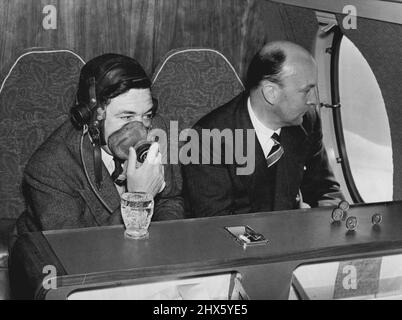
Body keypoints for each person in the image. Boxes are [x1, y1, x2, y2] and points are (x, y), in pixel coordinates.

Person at [16, 53, 184, 233]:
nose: (140, 129)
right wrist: (138, 199)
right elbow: (78, 252)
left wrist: (161, 242)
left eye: (147, 115)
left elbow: (171, 199)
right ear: (91, 117)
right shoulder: (49, 169)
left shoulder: (158, 130)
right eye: (126, 116)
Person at [182, 41, 344, 217]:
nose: (315, 100)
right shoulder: (206, 141)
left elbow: (325, 189)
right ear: (270, 93)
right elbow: (218, 225)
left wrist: (328, 217)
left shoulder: (307, 120)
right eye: (307, 91)